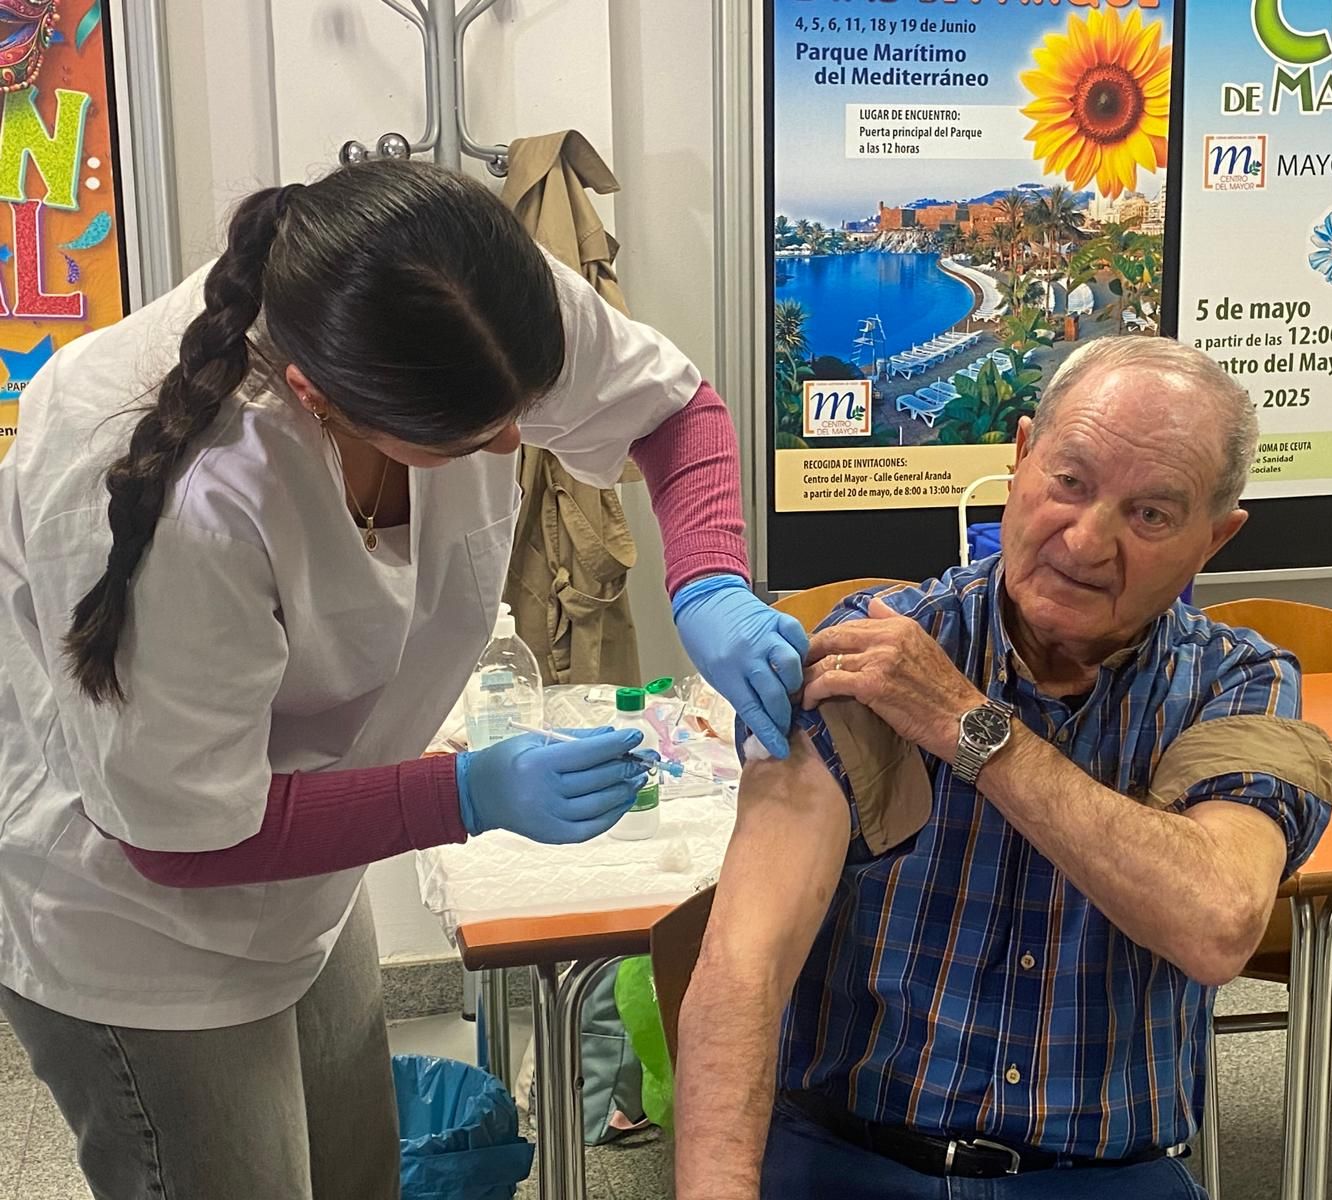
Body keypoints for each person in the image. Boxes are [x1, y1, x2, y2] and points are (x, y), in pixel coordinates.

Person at [0, 158, 803, 1199]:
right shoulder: (193, 491)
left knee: (358, 1172)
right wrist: (463, 794)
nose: (519, 441)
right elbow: (178, 843)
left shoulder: (466, 289)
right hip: (136, 916)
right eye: (475, 439)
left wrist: (708, 582)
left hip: (300, 870)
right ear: (315, 399)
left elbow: (671, 410)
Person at [674, 337, 1332, 1199]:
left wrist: (967, 726)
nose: (1088, 539)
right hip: (851, 1160)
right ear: (1021, 458)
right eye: (1070, 480)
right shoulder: (879, 645)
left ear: (1214, 539)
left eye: (1151, 515)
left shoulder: (1240, 684)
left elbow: (1216, 922)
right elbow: (744, 964)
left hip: (1102, 1178)